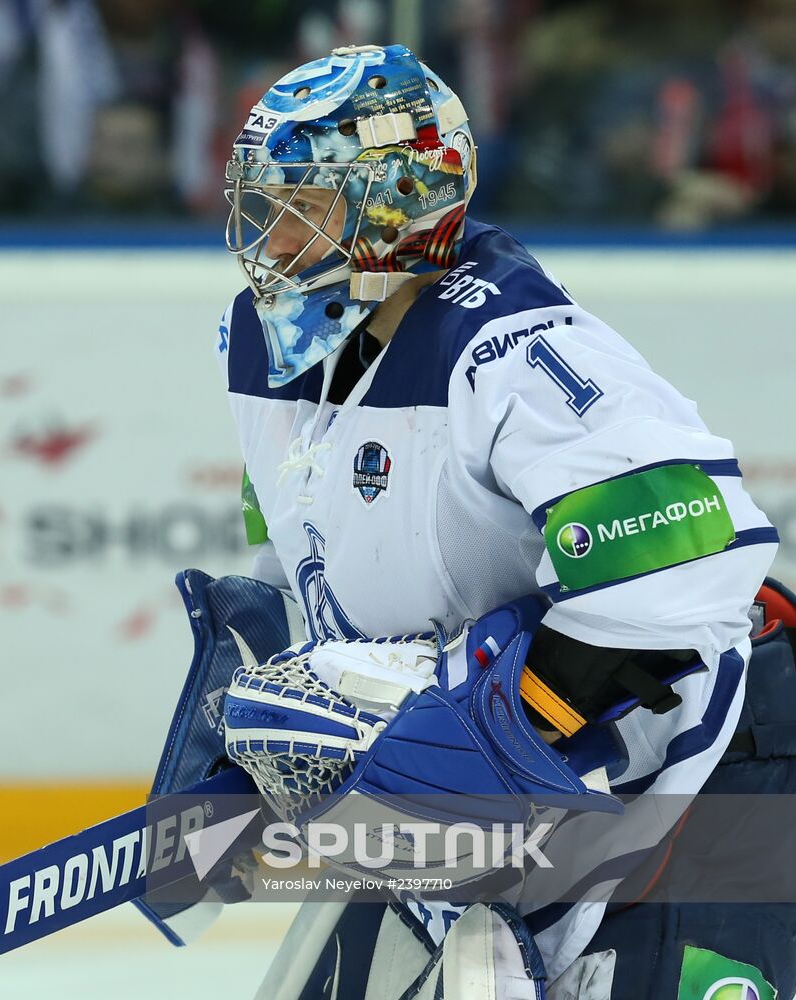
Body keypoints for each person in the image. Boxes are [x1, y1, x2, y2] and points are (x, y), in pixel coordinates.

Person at [203, 43, 789, 998]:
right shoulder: (263, 351)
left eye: (301, 207)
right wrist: (259, 737)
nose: (267, 241)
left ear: (392, 208)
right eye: (261, 205)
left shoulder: (517, 351)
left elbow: (683, 564)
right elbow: (295, 555)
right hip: (499, 816)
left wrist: (504, 725)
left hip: (697, 784)